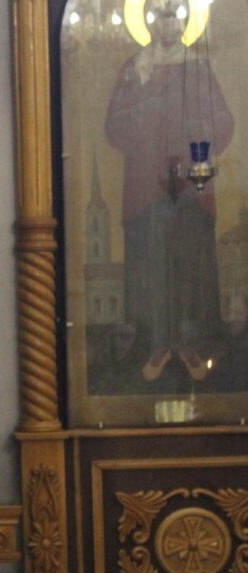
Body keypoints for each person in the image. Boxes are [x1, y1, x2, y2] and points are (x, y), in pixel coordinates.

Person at [105, 0, 233, 384]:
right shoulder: (136, 69)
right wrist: (146, 104)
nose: (168, 24)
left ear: (184, 22)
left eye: (175, 15)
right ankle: (154, 345)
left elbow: (223, 122)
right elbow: (114, 128)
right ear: (148, 22)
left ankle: (193, 347)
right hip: (147, 189)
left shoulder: (199, 66)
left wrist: (202, 124)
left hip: (192, 186)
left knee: (190, 265)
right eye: (160, 16)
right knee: (151, 265)